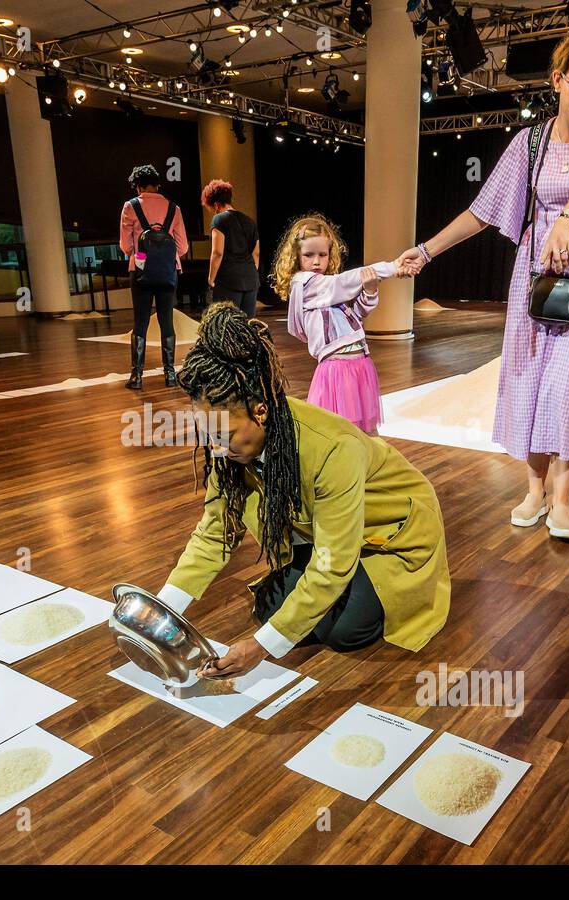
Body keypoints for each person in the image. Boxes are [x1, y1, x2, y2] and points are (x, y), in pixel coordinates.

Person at [395, 26, 569, 542]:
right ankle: (534, 489)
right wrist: (426, 250)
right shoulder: (528, 143)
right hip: (538, 275)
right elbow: (483, 211)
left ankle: (565, 499)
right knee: (531, 379)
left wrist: (567, 218)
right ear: (557, 79)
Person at [155, 302, 451, 678]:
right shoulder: (230, 448)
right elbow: (214, 533)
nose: (215, 448)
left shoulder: (332, 448)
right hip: (332, 537)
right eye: (207, 435)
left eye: (223, 436)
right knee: (272, 608)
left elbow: (333, 561)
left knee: (345, 630)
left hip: (391, 537)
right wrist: (162, 611)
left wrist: (261, 647)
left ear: (260, 411)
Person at [273, 214, 412, 435]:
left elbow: (357, 314)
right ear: (296, 257)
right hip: (337, 369)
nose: (316, 261)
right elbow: (344, 281)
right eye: (309, 255)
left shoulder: (328, 289)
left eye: (322, 254)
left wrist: (370, 289)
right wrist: (392, 267)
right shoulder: (305, 284)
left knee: (365, 431)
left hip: (360, 363)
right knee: (340, 432)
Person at [119, 163, 189, 389]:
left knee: (140, 322)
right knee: (166, 321)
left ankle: (136, 376)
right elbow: (183, 246)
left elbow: (125, 245)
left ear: (137, 186)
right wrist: (165, 255)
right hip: (168, 271)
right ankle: (170, 374)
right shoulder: (174, 209)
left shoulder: (130, 207)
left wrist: (141, 254)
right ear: (157, 184)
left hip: (140, 271)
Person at [202, 178, 260, 316]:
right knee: (246, 326)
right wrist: (249, 271)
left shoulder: (219, 220)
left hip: (229, 281)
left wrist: (211, 279)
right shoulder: (249, 221)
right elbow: (256, 253)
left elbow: (217, 252)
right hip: (251, 280)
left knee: (226, 326)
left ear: (216, 205)